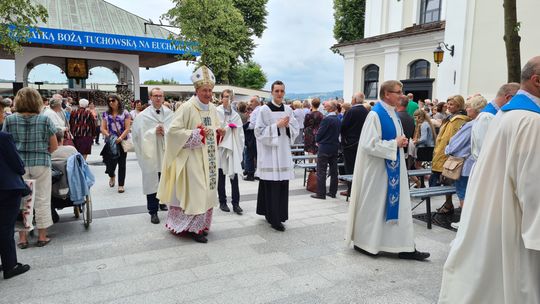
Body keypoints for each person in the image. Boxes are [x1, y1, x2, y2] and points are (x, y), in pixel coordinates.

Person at [438, 56, 540, 304]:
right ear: (537, 80)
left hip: (494, 210)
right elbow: (534, 187)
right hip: (513, 221)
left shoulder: (505, 115)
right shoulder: (532, 121)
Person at [345, 80, 429, 261]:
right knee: (376, 208)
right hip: (378, 173)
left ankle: (404, 245)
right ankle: (367, 243)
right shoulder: (375, 115)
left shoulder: (393, 114)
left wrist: (402, 142)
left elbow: (395, 139)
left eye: (401, 92)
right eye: (398, 92)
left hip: (394, 169)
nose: (401, 95)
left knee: (400, 207)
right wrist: (395, 144)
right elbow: (368, 144)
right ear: (386, 94)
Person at [157, 66, 224, 243]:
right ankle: (194, 229)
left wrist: (219, 133)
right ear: (196, 90)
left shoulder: (213, 109)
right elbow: (173, 132)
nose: (208, 94)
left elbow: (215, 128)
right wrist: (195, 134)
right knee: (197, 192)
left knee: (207, 192)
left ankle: (202, 226)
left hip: (209, 158)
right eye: (204, 90)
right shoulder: (187, 107)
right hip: (192, 158)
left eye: (210, 90)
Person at [2, 87, 58, 249]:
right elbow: (53, 146)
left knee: (21, 200)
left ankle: (23, 238)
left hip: (18, 165)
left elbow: (5, 144)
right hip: (41, 163)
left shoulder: (10, 120)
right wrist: (42, 151)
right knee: (42, 198)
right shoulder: (45, 120)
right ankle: (42, 236)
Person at [255, 80, 299, 231]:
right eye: (277, 91)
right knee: (271, 185)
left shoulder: (288, 109)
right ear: (271, 92)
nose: (280, 94)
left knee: (281, 185)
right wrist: (276, 126)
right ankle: (273, 219)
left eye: (282, 91)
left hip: (283, 152)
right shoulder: (264, 110)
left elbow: (295, 129)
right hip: (269, 154)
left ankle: (279, 215)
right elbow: (258, 131)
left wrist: (287, 126)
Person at [443, 95, 487, 229]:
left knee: (463, 194)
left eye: (469, 107)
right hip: (475, 164)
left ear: (476, 109)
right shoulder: (485, 122)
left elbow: (455, 144)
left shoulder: (470, 125)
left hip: (464, 165)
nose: (466, 109)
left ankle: (465, 223)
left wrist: (447, 148)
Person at [132, 88, 173, 224]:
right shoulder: (142, 116)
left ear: (163, 97)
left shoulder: (169, 114)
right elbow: (137, 136)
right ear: (150, 97)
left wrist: (165, 131)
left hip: (165, 151)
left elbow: (175, 131)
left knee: (164, 179)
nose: (158, 98)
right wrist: (153, 131)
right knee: (151, 181)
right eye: (155, 96)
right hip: (151, 153)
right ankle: (153, 211)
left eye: (160, 96)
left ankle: (162, 202)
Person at [430, 95, 470, 214]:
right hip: (443, 154)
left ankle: (459, 207)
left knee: (453, 182)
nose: (448, 106)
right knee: (446, 181)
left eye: (451, 104)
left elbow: (453, 140)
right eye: (448, 104)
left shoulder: (459, 120)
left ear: (459, 105)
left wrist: (447, 154)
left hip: (450, 156)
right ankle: (448, 203)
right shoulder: (450, 118)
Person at [0, 130, 31, 279]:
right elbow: (17, 164)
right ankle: (10, 265)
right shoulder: (3, 137)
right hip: (7, 187)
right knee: (6, 227)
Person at [470, 82, 520, 162]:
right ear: (509, 98)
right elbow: (487, 150)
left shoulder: (492, 114)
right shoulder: (488, 117)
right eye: (518, 100)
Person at [216, 89, 244, 215]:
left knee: (234, 176)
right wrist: (224, 129)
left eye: (230, 97)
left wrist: (232, 129)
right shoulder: (216, 112)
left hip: (232, 147)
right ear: (221, 98)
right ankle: (222, 202)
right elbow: (214, 128)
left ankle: (236, 203)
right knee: (221, 176)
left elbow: (240, 132)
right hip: (221, 148)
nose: (228, 99)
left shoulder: (236, 115)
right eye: (225, 97)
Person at [100, 94, 131, 193]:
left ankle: (121, 185)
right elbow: (103, 128)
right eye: (109, 101)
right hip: (111, 142)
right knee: (110, 163)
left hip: (122, 141)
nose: (111, 103)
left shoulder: (125, 113)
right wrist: (109, 136)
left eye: (113, 100)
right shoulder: (106, 113)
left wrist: (121, 137)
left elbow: (127, 128)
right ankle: (112, 175)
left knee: (122, 163)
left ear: (118, 101)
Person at [340, 92, 369, 195]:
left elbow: (343, 126)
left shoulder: (351, 111)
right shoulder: (366, 111)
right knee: (360, 166)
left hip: (350, 143)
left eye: (352, 97)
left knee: (350, 167)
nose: (351, 99)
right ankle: (359, 190)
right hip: (361, 142)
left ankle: (351, 190)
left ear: (355, 100)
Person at [311, 100, 341, 200]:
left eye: (326, 107)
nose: (325, 108)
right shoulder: (337, 119)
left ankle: (321, 193)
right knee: (333, 171)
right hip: (334, 146)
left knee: (321, 170)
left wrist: (317, 139)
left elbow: (320, 133)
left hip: (325, 147)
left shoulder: (327, 119)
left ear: (331, 108)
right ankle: (333, 192)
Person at [244, 96, 261, 181]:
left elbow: (252, 125)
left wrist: (244, 126)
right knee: (258, 155)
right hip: (259, 136)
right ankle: (259, 173)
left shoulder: (256, 112)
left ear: (256, 102)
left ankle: (250, 174)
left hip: (253, 136)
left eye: (251, 101)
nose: (250, 103)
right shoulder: (260, 110)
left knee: (250, 155)